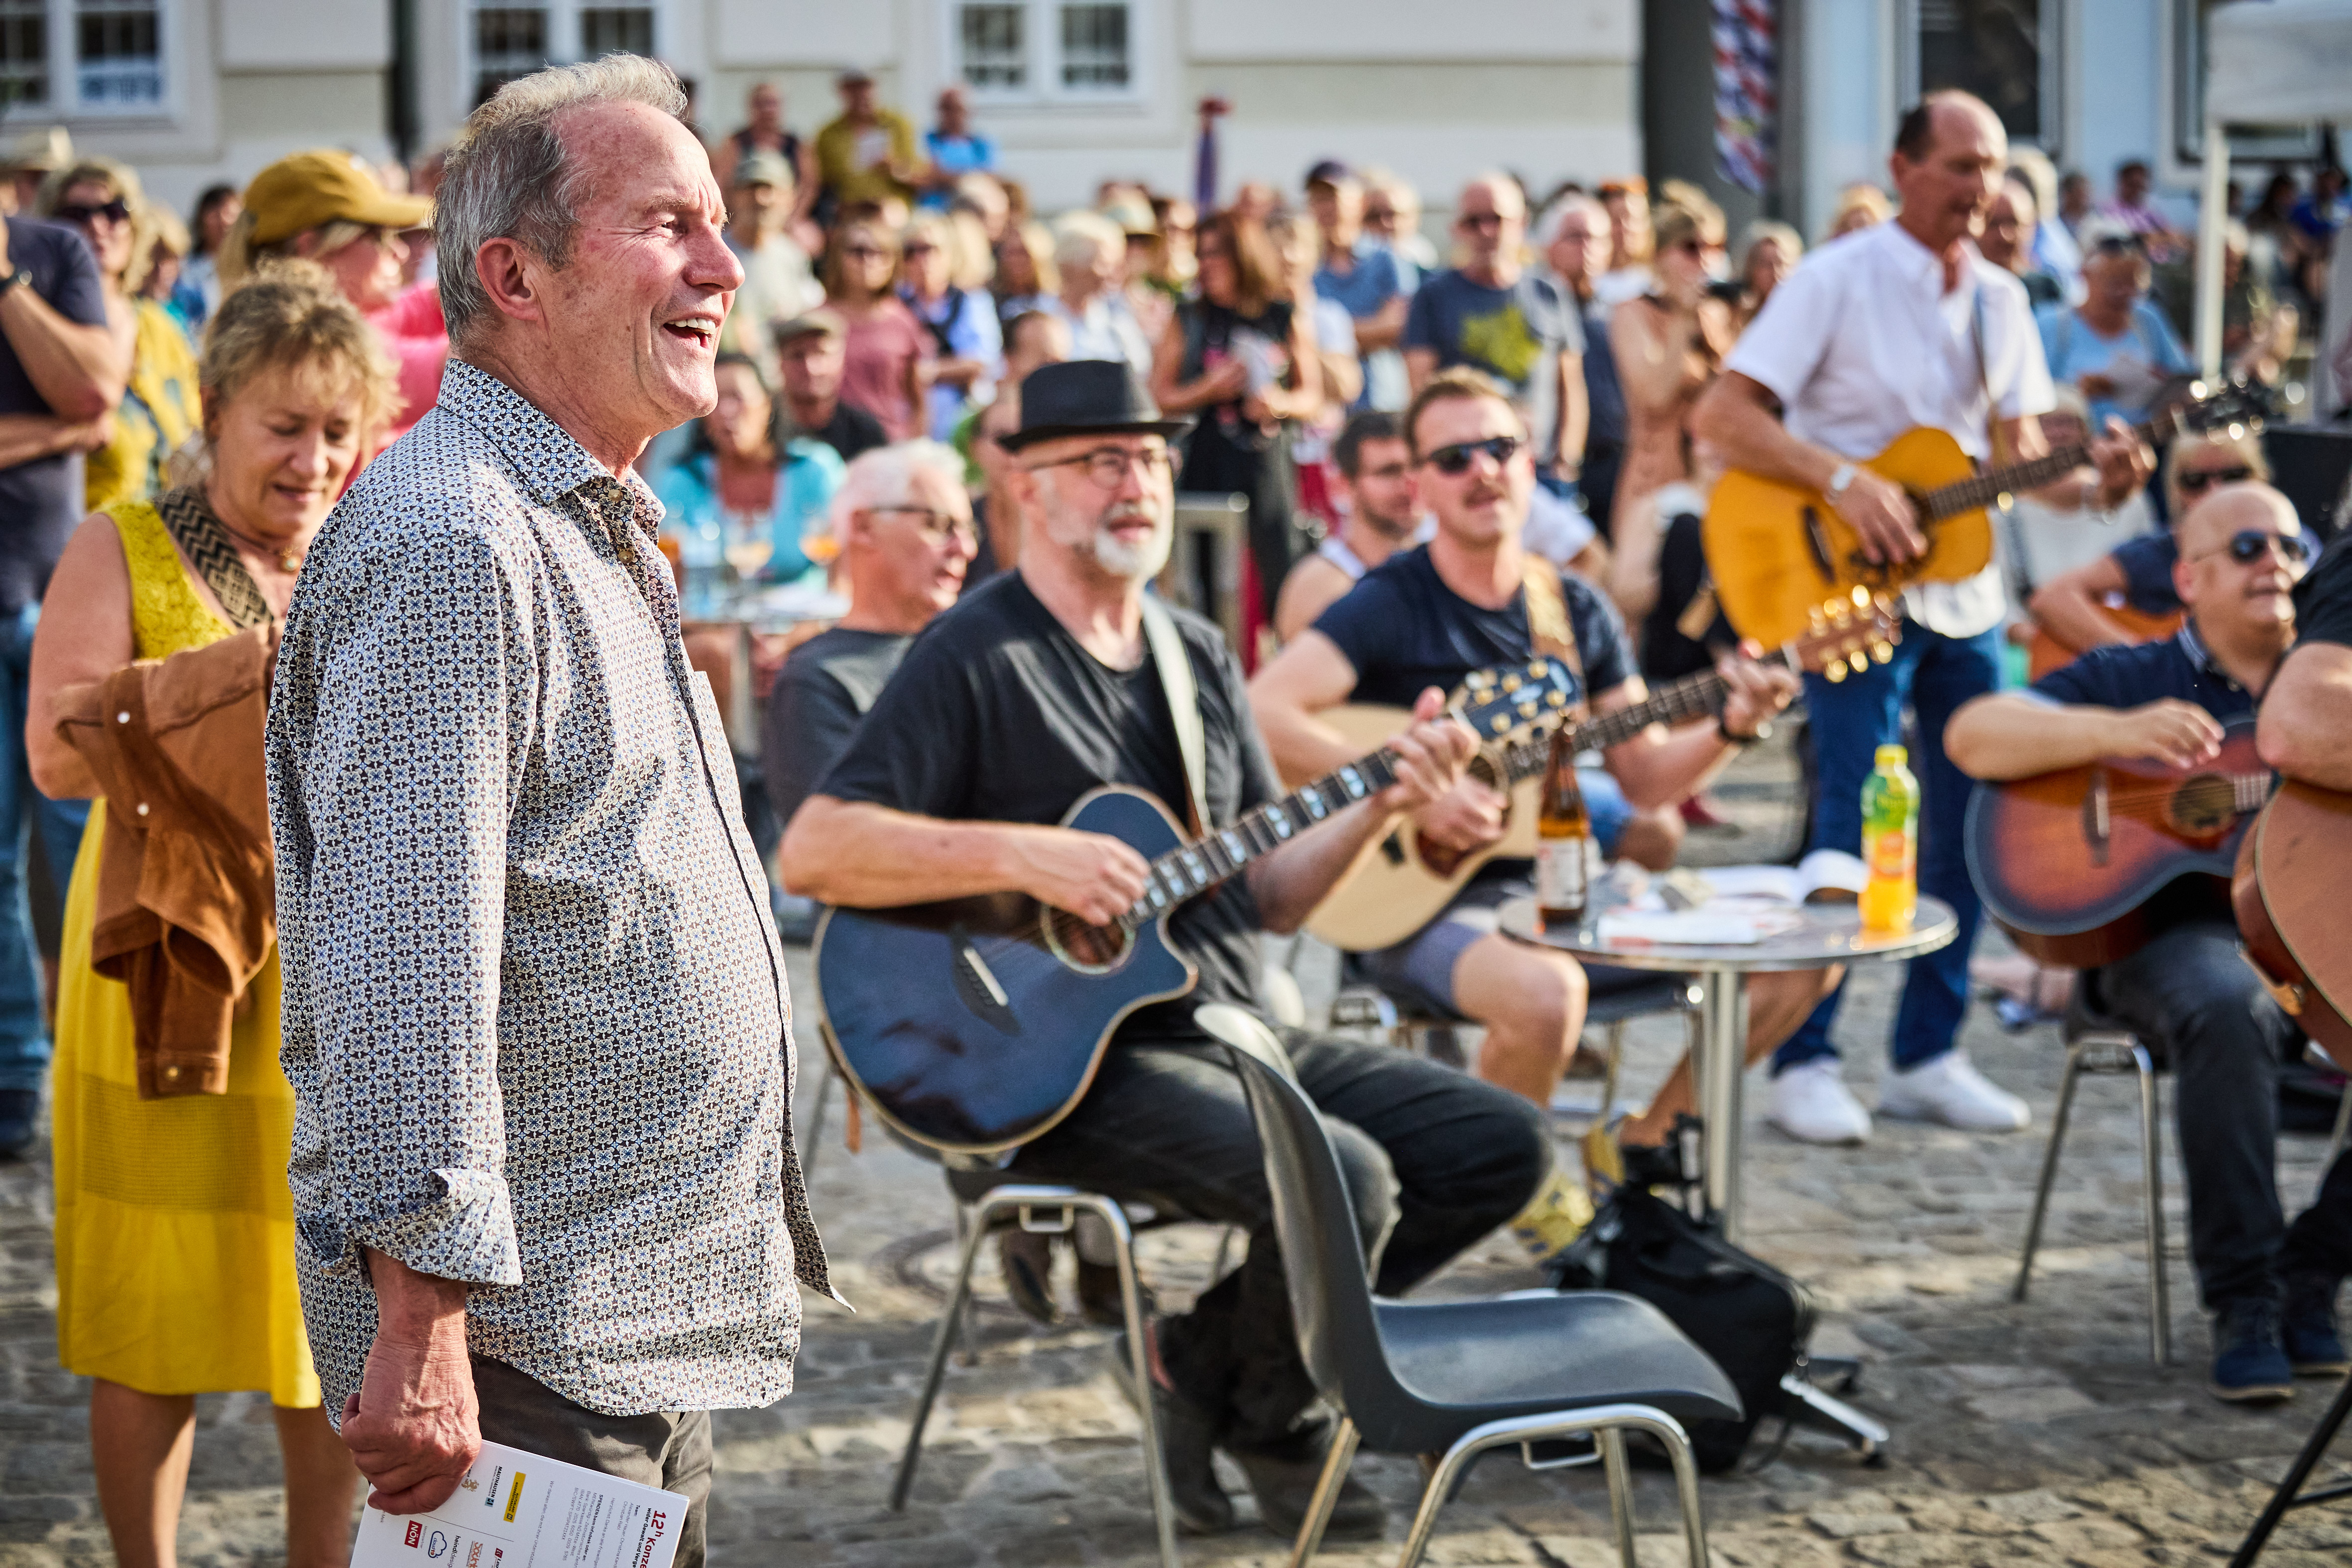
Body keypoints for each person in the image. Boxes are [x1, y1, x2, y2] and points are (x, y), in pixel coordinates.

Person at [780, 358, 1541, 1543]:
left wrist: (1381, 801)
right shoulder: (975, 652)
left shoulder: (1195, 654)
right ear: (1028, 488)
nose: (1136, 482)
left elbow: (1269, 899)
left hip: (1225, 1027)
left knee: (1497, 1146)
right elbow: (816, 850)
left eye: (1149, 458)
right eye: (1101, 461)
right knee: (1343, 1179)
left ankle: (1204, 1363)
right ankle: (1275, 1419)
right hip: (1052, 1068)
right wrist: (1030, 859)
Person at [262, 59, 832, 1549]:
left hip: (617, 1318)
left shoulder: (571, 512)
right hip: (519, 1350)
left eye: (719, 225)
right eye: (667, 224)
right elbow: (403, 961)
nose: (723, 268)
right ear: (515, 277)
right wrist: (420, 1320)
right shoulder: (456, 538)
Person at [1691, 90, 2152, 1146]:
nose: (1979, 187)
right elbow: (1722, 415)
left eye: (1990, 166)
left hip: (1963, 595)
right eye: (1959, 165)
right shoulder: (1832, 278)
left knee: (1971, 815)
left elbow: (2021, 465)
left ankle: (1925, 1053)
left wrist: (2100, 483)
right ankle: (1803, 1056)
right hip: (1843, 590)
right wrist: (1841, 480)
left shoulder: (2001, 299)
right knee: (1851, 809)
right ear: (1902, 169)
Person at [26, 261, 395, 1568]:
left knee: (327, 1317)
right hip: (163, 982)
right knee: (152, 1315)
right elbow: (56, 753)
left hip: (328, 989)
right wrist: (241, 675)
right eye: (284, 427)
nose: (315, 460)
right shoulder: (120, 541)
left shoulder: (370, 555)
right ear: (218, 410)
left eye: (339, 430)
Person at [1250, 371, 1824, 1175]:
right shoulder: (1387, 602)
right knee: (1547, 993)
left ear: (1530, 464)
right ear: (1419, 485)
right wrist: (1412, 787)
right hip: (1420, 907)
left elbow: (1645, 780)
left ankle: (1643, 1148)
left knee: (1803, 955)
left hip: (1559, 891)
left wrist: (1732, 725)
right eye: (1454, 457)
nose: (1482, 469)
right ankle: (1498, 1193)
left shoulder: (1573, 609)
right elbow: (1262, 710)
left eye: (1500, 447)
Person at [1954, 482, 2349, 1403]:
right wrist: (2116, 730)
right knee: (2227, 1001)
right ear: (2187, 577)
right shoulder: (2134, 673)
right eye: (2245, 546)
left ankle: (2314, 1266)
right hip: (2161, 937)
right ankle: (2245, 1299)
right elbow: (1973, 733)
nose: (2274, 562)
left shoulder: (2328, 680)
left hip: (2307, 931)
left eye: (2291, 547)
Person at [0, 160, 124, 1159]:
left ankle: (104, 1052)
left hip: (62, 604)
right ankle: (16, 1080)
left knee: (89, 844)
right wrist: (62, 432)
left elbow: (95, 391)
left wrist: (5, 286)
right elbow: (82, 412)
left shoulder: (54, 253)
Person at [762, 442, 975, 830]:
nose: (966, 548)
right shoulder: (816, 680)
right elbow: (831, 845)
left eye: (969, 530)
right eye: (939, 525)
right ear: (863, 527)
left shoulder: (974, 653)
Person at [1151, 208, 1321, 621]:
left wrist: (1277, 403)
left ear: (1243, 255)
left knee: (1282, 565)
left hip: (1266, 458)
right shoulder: (1189, 316)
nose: (1206, 264)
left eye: (1216, 254)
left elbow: (1312, 396)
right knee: (1207, 576)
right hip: (1207, 456)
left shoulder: (1280, 313)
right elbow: (1159, 395)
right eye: (1201, 254)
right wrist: (1209, 388)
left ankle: (1286, 647)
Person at [223, 151, 442, 447]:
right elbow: (463, 368)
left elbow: (420, 306)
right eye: (378, 237)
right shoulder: (296, 346)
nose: (400, 252)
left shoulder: (352, 315)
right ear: (311, 249)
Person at [1402, 174, 1584, 495]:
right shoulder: (1433, 297)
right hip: (1468, 470)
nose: (1486, 231)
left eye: (1497, 219)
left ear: (1522, 223)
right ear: (1457, 229)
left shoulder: (1550, 292)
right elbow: (1421, 391)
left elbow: (1570, 385)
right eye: (1474, 221)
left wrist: (1566, 461)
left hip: (1541, 469)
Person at [38, 158, 198, 515]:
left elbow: (196, 433)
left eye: (114, 212)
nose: (97, 226)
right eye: (76, 215)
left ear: (134, 228)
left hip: (170, 537)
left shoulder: (160, 327)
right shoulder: (37, 330)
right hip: (79, 540)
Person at [1605, 196, 1734, 626]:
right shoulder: (1632, 312)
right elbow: (1654, 397)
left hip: (1711, 477)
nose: (1705, 260)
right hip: (1654, 477)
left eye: (1715, 247)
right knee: (1646, 607)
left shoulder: (1718, 315)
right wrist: (1682, 317)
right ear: (1660, 254)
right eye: (1692, 248)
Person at [2026, 428, 2272, 652]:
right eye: (2195, 481)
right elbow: (2051, 598)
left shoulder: (2283, 550)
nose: (2214, 491)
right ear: (2175, 490)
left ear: (2260, 478)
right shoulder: (2162, 550)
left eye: (2233, 476)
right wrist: (2142, 660)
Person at [653, 350, 843, 596]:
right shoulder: (683, 480)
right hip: (711, 617)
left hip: (808, 615)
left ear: (768, 405)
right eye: (716, 400)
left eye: (738, 397)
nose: (726, 412)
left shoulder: (815, 470)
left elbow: (845, 573)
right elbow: (668, 586)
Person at [1272, 409, 1416, 642]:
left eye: (1417, 468)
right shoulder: (1318, 587)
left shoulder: (1445, 569)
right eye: (1389, 472)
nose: (1409, 485)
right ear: (1342, 485)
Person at [2037, 232, 2193, 433]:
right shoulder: (2053, 324)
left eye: (2133, 284)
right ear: (2085, 276)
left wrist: (2156, 381)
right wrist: (2078, 391)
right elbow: (2033, 391)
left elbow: (2181, 377)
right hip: (2077, 441)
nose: (2124, 293)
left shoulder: (2148, 319)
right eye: (2114, 283)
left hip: (2144, 436)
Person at [1540, 194, 1628, 542]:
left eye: (1597, 238)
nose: (1588, 248)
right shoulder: (1535, 308)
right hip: (1552, 467)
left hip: (1614, 463)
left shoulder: (1620, 314)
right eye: (1576, 237)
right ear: (1549, 247)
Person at [716, 150, 822, 386]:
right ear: (733, 195)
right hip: (727, 384)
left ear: (790, 198)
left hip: (781, 385)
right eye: (751, 189)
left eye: (770, 190)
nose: (761, 199)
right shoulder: (716, 252)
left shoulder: (794, 257)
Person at [1307, 169, 1408, 412]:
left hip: (1382, 399)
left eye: (1334, 198)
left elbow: (1395, 325)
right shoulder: (1304, 264)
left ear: (1360, 203)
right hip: (1323, 406)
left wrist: (1325, 335)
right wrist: (1366, 333)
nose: (1327, 207)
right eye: (1319, 199)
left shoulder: (1385, 258)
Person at [823, 220, 929, 442]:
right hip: (829, 441)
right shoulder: (818, 321)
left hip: (889, 443)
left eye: (880, 253)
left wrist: (915, 444)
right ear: (839, 258)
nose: (868, 260)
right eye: (858, 251)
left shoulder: (904, 321)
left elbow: (918, 398)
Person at [901, 211, 1001, 441]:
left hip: (960, 421)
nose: (921, 259)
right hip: (908, 421)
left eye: (930, 249)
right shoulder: (894, 304)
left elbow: (984, 362)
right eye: (911, 251)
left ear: (949, 254)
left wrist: (930, 371)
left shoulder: (972, 302)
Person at [1043, 210, 1152, 378]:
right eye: (1104, 264)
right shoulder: (1038, 318)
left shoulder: (1118, 318)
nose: (1113, 274)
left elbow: (1140, 372)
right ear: (1073, 266)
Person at [775, 309, 888, 464]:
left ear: (841, 360)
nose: (811, 368)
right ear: (780, 362)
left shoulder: (865, 432)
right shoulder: (762, 431)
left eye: (821, 353)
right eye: (798, 356)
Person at [714, 81, 818, 238]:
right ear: (751, 107)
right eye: (761, 104)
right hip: (744, 215)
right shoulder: (735, 143)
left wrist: (793, 219)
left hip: (786, 217)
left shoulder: (797, 144)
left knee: (810, 240)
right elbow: (723, 182)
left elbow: (809, 185)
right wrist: (737, 217)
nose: (768, 109)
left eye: (772, 103)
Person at [815, 69, 921, 214]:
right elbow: (822, 182)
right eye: (854, 88)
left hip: (893, 207)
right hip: (850, 209)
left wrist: (895, 169)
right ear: (842, 92)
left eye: (866, 87)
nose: (862, 94)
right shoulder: (828, 134)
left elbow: (921, 177)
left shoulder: (898, 125)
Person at [1979, 179, 2063, 308]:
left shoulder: (2046, 290)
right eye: (1993, 224)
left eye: (2013, 223)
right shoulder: (1964, 287)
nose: (2003, 235)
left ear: (2032, 229)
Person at [170, 183, 241, 331]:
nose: (224, 222)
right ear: (201, 219)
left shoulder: (250, 268)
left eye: (230, 214)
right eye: (215, 215)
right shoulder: (184, 269)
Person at [2102, 157, 2185, 260]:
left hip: (2156, 263)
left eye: (2140, 186)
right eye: (2133, 185)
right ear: (2122, 182)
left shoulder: (2147, 211)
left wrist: (2164, 238)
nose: (2137, 191)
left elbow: (2171, 234)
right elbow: (2128, 238)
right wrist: (2151, 238)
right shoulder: (2109, 210)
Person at [922, 87, 996, 199]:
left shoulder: (980, 144)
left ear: (969, 112)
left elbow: (990, 178)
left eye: (957, 109)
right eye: (946, 108)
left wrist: (945, 178)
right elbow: (923, 176)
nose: (952, 115)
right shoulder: (928, 140)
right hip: (933, 206)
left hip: (972, 205)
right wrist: (969, 177)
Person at [1732, 219, 1803, 328]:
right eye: (1766, 264)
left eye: (1783, 264)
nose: (1776, 272)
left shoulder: (1803, 316)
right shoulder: (1735, 318)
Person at [1593, 177, 1653, 305]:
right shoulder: (1587, 285)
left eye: (1634, 219)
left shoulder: (1659, 283)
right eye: (1616, 220)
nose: (1626, 228)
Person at [1825, 182, 1892, 240]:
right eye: (1856, 212)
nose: (1861, 216)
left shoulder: (1884, 238)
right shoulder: (1838, 242)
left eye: (1866, 212)